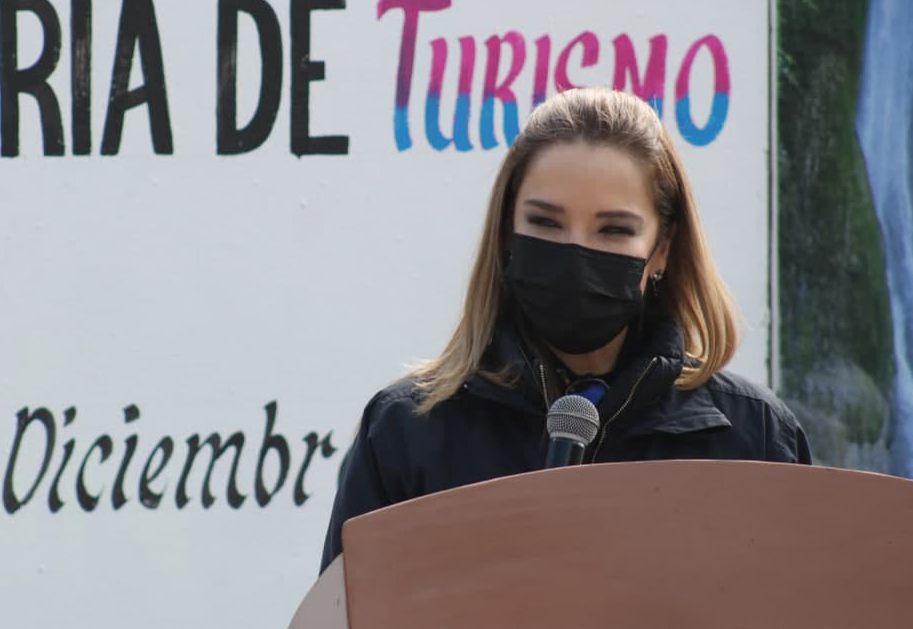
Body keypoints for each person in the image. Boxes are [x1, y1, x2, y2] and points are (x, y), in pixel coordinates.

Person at [320, 87, 811, 572]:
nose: (575, 253)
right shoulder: (407, 433)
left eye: (613, 230)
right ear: (507, 231)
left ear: (661, 249)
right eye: (546, 223)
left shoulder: (755, 439)